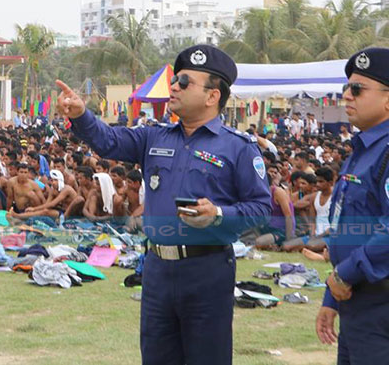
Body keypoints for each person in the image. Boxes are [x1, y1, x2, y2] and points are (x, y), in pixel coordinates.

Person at [56, 44, 271, 364]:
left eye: (185, 82)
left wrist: (219, 214)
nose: (174, 86)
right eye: (175, 80)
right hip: (157, 269)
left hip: (207, 270)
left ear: (213, 96)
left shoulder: (238, 148)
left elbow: (261, 208)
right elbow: (109, 141)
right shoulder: (154, 137)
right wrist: (81, 116)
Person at [315, 48, 389, 364]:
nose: (346, 95)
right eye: (346, 87)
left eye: (357, 89)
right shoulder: (364, 150)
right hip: (362, 296)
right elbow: (348, 227)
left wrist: (343, 276)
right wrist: (333, 295)